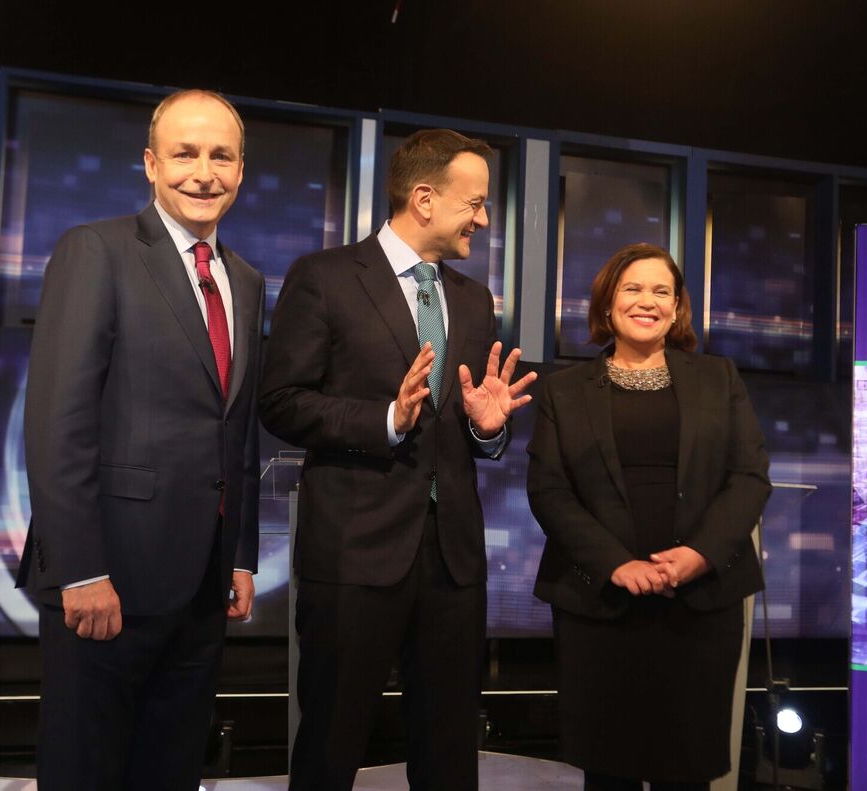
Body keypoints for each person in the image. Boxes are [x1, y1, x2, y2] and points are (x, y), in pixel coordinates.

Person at [260, 128, 537, 791]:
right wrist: (385, 418)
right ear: (423, 198)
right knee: (331, 741)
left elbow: (466, 426)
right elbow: (281, 401)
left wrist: (488, 429)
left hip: (452, 560)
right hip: (354, 554)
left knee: (447, 749)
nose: (484, 218)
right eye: (475, 202)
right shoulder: (324, 278)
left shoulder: (474, 300)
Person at [17, 89, 264, 791]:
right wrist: (80, 569)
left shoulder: (245, 280)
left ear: (241, 172)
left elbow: (236, 430)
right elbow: (58, 421)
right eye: (185, 153)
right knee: (85, 771)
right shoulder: (96, 249)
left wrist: (239, 555)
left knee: (170, 771)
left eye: (221, 156)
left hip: (202, 587)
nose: (203, 172)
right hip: (107, 581)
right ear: (151, 164)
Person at [527, 243, 771, 791]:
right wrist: (616, 564)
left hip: (701, 601)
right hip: (600, 602)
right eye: (633, 288)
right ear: (608, 303)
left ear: (678, 307)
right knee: (607, 769)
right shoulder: (564, 391)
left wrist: (699, 554)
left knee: (686, 769)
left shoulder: (719, 377)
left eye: (662, 291)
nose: (647, 301)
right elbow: (549, 490)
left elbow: (750, 475)